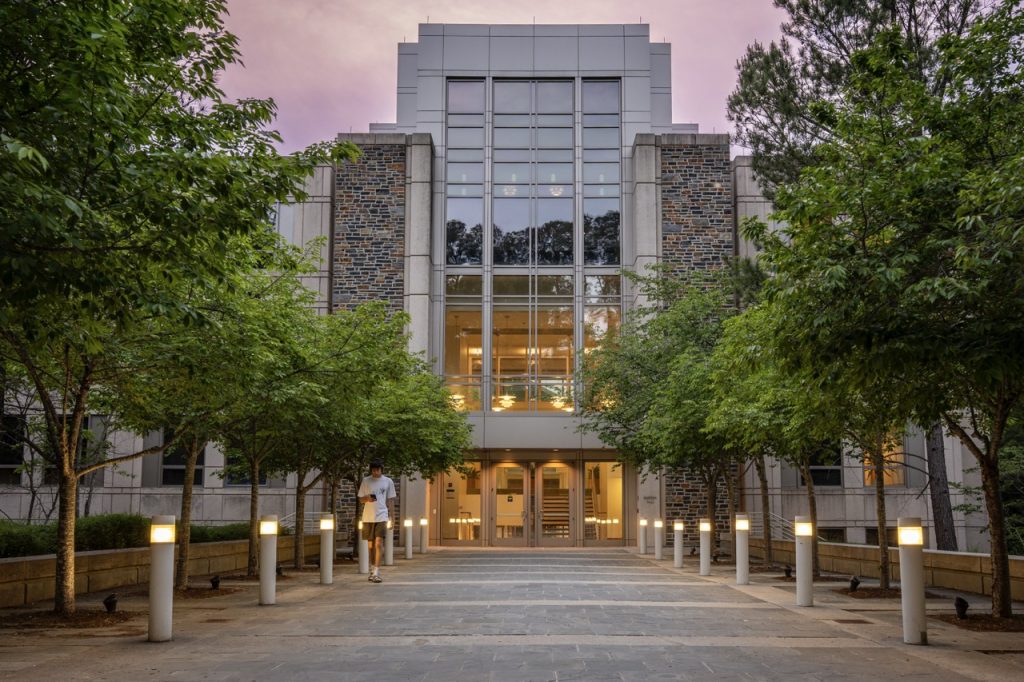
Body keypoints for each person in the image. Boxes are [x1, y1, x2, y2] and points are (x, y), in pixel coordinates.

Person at [357, 460, 396, 583]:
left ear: (381, 469)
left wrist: (393, 518)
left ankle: (377, 572)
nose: (375, 472)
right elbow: (360, 500)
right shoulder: (366, 481)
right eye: (373, 470)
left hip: (382, 515)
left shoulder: (388, 481)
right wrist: (367, 498)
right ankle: (372, 569)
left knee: (378, 543)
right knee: (370, 546)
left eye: (377, 470)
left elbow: (390, 500)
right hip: (368, 517)